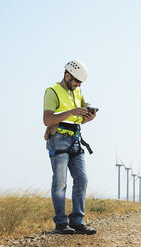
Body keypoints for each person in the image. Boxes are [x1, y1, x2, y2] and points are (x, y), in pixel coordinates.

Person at [43, 60, 97, 235]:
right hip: (58, 139)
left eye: (81, 83)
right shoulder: (52, 92)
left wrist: (88, 116)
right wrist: (72, 112)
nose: (79, 85)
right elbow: (47, 120)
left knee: (82, 180)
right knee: (60, 183)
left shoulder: (77, 91)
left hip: (75, 138)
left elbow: (79, 117)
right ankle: (60, 224)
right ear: (67, 76)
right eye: (77, 82)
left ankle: (77, 221)